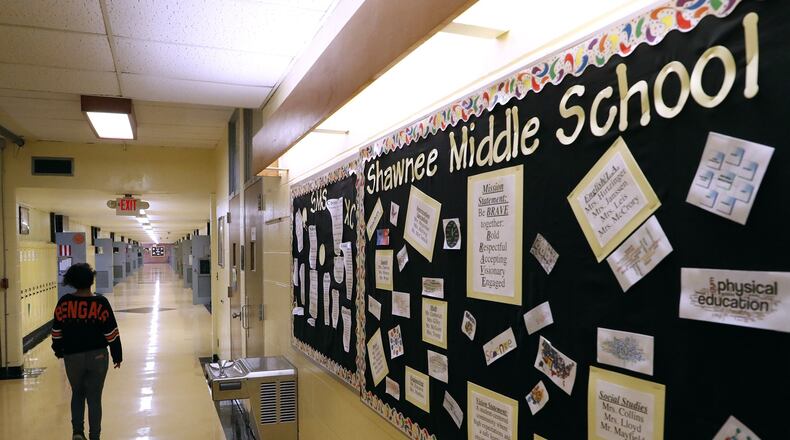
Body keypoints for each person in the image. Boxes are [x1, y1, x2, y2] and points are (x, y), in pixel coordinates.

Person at [51, 263, 123, 440]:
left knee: (77, 392)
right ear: (91, 281)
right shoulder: (100, 303)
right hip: (97, 355)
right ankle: (94, 436)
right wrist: (117, 355)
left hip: (72, 356)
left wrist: (59, 351)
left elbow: (56, 331)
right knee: (94, 397)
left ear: (72, 281)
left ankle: (77, 432)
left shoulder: (65, 303)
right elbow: (111, 332)